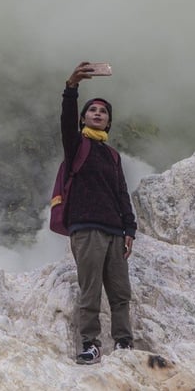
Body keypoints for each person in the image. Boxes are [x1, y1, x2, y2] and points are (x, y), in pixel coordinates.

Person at [62, 62, 137, 365]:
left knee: (120, 292)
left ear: (108, 122)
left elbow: (121, 192)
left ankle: (123, 342)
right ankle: (90, 343)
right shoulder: (76, 144)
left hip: (114, 231)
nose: (97, 113)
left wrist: (129, 230)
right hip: (87, 227)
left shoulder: (112, 155)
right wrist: (71, 88)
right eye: (92, 110)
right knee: (90, 290)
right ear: (83, 119)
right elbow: (66, 121)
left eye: (103, 112)